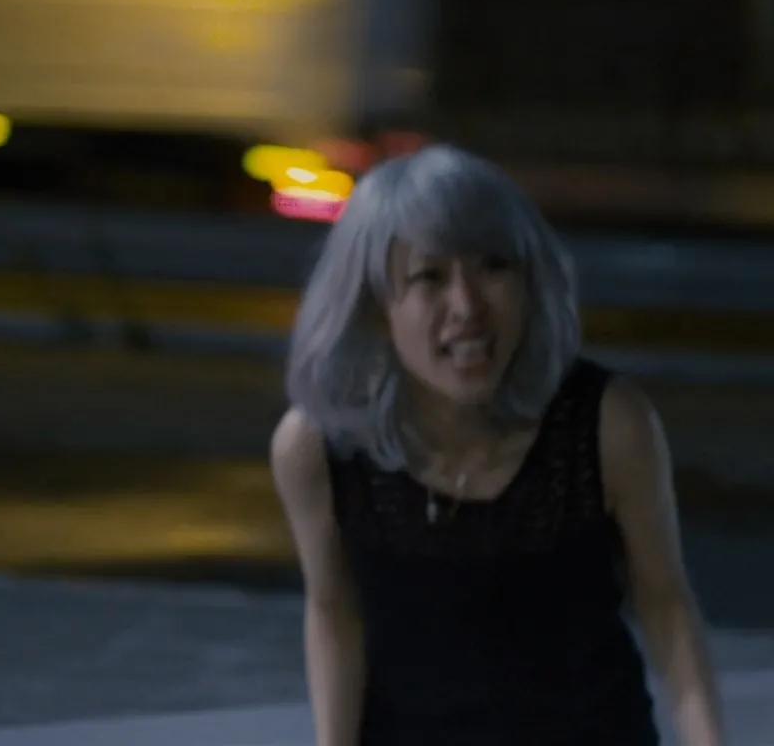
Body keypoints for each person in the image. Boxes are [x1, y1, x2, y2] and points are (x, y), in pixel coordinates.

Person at [268, 145, 723, 746]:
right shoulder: (316, 448)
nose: (468, 306)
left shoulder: (609, 423)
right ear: (376, 307)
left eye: (493, 266)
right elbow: (333, 611)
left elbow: (666, 603)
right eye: (430, 277)